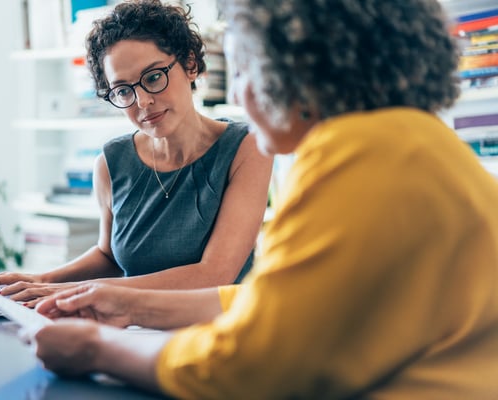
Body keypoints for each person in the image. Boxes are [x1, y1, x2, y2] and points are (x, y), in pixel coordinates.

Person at [32, 0, 498, 398]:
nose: (237, 92)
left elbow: (250, 363)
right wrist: (132, 306)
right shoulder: (415, 141)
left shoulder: (355, 155)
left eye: (246, 68)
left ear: (297, 68)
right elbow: (279, 302)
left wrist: (96, 348)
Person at [0, 0, 273, 305]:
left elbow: (214, 275)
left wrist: (71, 292)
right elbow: (109, 256)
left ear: (190, 65)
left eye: (154, 77)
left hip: (216, 334)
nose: (142, 101)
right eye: (122, 90)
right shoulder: (110, 162)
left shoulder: (247, 146)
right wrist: (41, 279)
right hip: (129, 326)